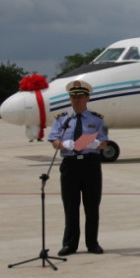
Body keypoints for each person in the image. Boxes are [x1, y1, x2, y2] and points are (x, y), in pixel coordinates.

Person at [47, 80, 109, 256]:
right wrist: (63, 144)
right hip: (70, 165)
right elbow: (54, 140)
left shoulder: (97, 119)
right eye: (73, 97)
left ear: (87, 98)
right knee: (71, 206)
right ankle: (70, 244)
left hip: (90, 164)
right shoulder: (62, 119)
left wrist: (97, 143)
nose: (76, 100)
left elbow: (105, 142)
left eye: (80, 96)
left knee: (92, 206)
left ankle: (92, 243)